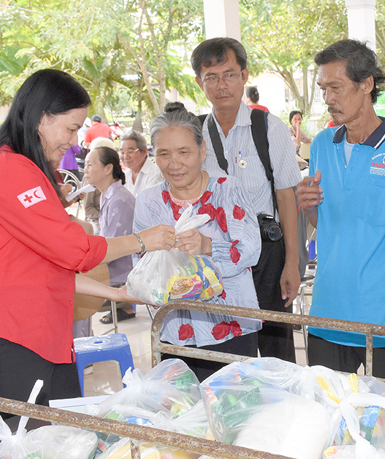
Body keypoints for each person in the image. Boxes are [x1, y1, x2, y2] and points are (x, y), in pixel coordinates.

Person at [0, 69, 176, 406]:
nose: (74, 142)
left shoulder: (29, 170)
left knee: (68, 434)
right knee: (34, 439)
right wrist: (142, 240)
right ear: (41, 118)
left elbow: (49, 267)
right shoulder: (6, 168)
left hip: (44, 341)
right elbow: (74, 249)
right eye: (71, 128)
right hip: (8, 340)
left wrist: (116, 294)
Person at [296, 39, 385, 412]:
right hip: (328, 311)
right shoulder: (322, 145)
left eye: (336, 87)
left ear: (366, 84)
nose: (328, 98)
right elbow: (326, 225)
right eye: (323, 89)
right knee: (328, 417)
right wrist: (308, 208)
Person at [191, 38, 302, 362]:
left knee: (276, 352)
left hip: (266, 254)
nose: (221, 85)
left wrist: (291, 263)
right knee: (224, 350)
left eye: (229, 75)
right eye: (211, 78)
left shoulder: (269, 128)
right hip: (215, 255)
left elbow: (286, 196)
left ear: (244, 75)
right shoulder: (195, 134)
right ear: (200, 82)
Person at [134, 104, 262, 381]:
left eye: (184, 152)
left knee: (232, 404)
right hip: (174, 329)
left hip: (231, 326)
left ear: (202, 151)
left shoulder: (228, 189)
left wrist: (207, 246)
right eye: (164, 154)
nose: (174, 163)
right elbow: (141, 266)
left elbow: (251, 250)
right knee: (182, 405)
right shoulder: (148, 202)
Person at [84, 146, 137, 324]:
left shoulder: (119, 199)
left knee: (72, 288)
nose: (85, 170)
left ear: (107, 168)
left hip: (121, 269)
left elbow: (113, 247)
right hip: (111, 260)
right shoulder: (107, 195)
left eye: (90, 165)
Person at [119, 131, 164, 196]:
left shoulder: (155, 175)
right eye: (122, 152)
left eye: (130, 151)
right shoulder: (126, 174)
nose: (125, 157)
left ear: (144, 151)